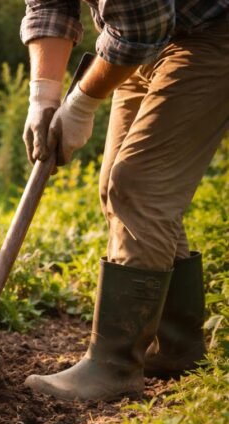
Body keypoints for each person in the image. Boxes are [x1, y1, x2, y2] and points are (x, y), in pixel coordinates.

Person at [19, 0, 229, 401]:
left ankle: (114, 367)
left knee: (139, 185)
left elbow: (140, 32)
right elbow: (48, 5)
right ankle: (176, 346)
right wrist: (42, 95)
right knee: (120, 190)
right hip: (149, 34)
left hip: (211, 33)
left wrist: (80, 104)